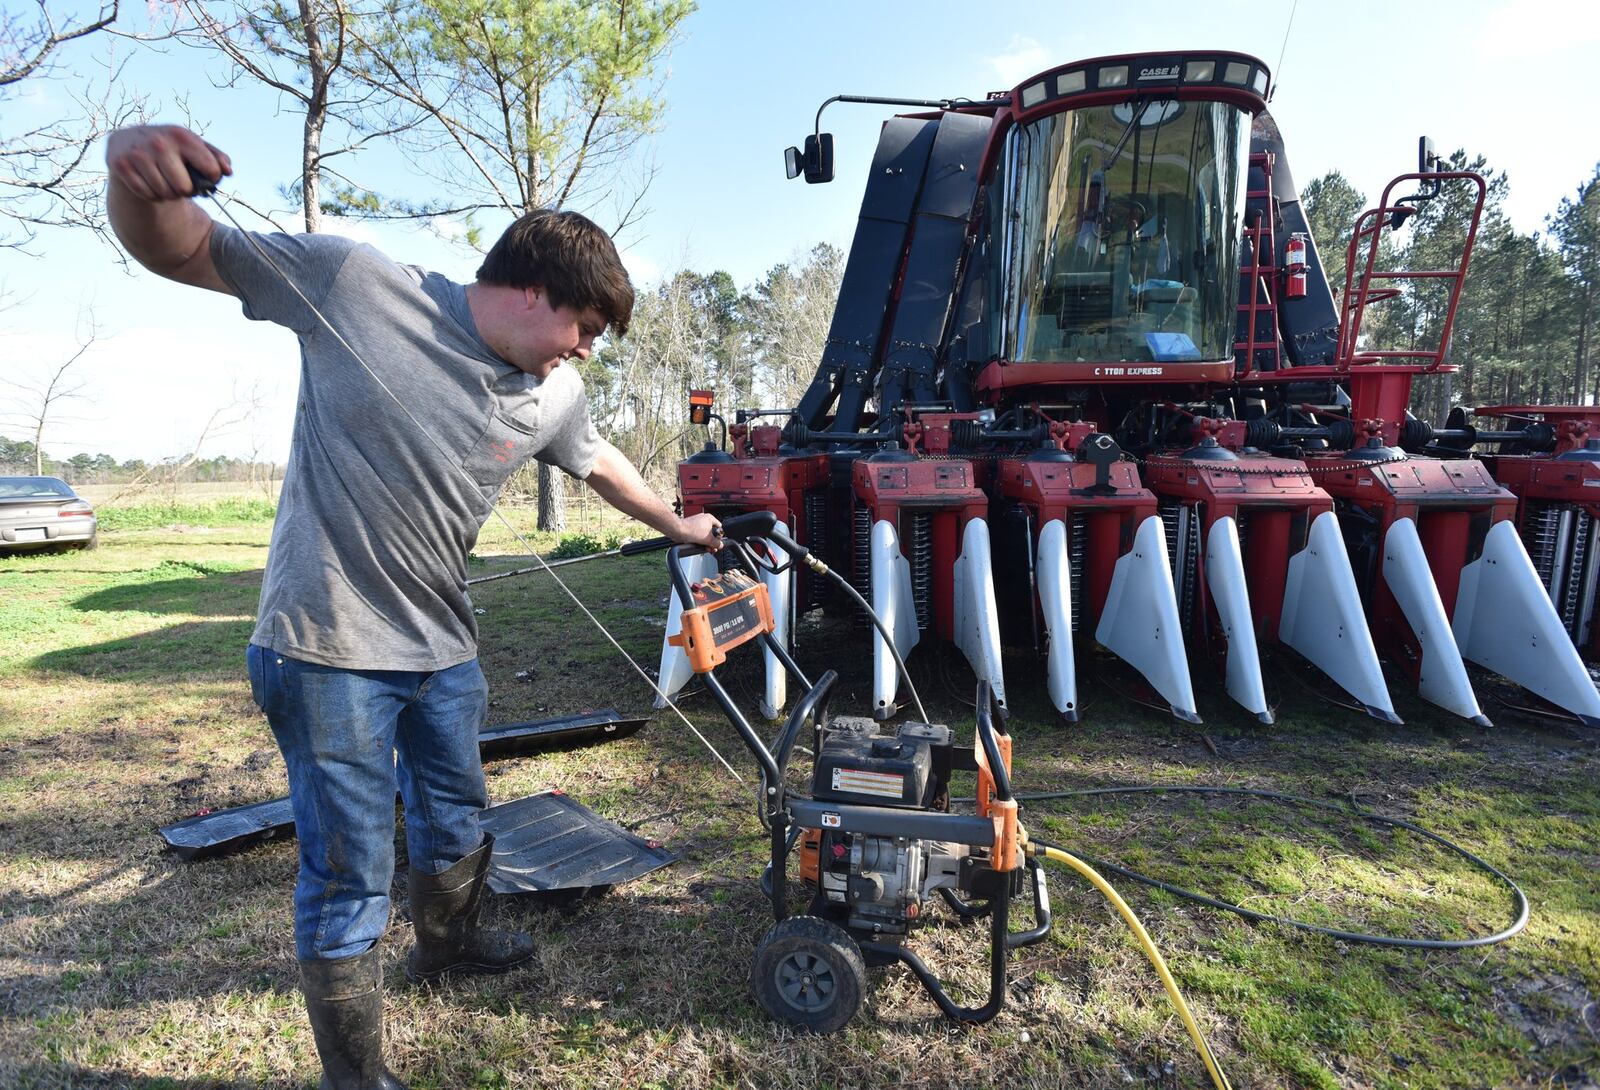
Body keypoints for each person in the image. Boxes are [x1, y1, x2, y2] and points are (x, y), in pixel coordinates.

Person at [105, 124, 721, 1090]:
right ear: (531, 290)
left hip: (443, 647)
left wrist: (679, 524)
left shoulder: (551, 393)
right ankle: (356, 1077)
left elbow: (601, 463)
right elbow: (180, 246)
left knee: (455, 814)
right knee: (350, 870)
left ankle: (451, 945)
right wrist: (133, 177)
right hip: (326, 647)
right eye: (584, 330)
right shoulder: (355, 283)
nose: (580, 356)